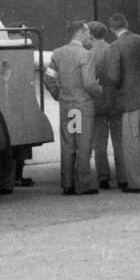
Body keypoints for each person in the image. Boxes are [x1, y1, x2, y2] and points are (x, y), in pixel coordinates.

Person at [101, 12, 140, 193]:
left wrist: (118, 88)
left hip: (129, 100)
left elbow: (113, 76)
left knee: (131, 143)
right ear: (127, 23)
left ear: (112, 29)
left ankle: (136, 183)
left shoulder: (115, 46)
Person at [46, 20, 101, 195]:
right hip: (83, 106)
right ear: (81, 33)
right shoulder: (86, 55)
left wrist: (58, 95)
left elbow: (48, 78)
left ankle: (67, 184)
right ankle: (83, 184)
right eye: (87, 33)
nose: (89, 36)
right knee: (84, 145)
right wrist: (100, 92)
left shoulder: (57, 54)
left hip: (67, 106)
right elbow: (90, 83)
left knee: (68, 144)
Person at [86, 21, 124, 190]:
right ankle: (122, 177)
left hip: (98, 103)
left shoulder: (88, 54)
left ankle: (103, 177)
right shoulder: (113, 49)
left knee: (99, 143)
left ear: (91, 35)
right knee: (119, 141)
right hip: (115, 101)